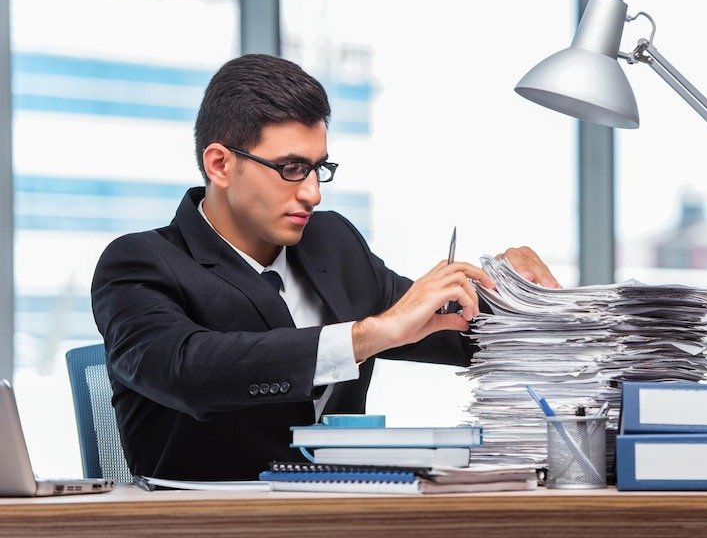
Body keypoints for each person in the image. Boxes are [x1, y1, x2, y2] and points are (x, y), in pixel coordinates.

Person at [91, 54, 559, 480]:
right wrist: (370, 335)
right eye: (291, 168)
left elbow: (456, 329)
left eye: (319, 169)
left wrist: (518, 295)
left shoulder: (331, 243)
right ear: (220, 164)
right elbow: (189, 371)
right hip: (207, 521)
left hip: (346, 514)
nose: (312, 193)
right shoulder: (139, 263)